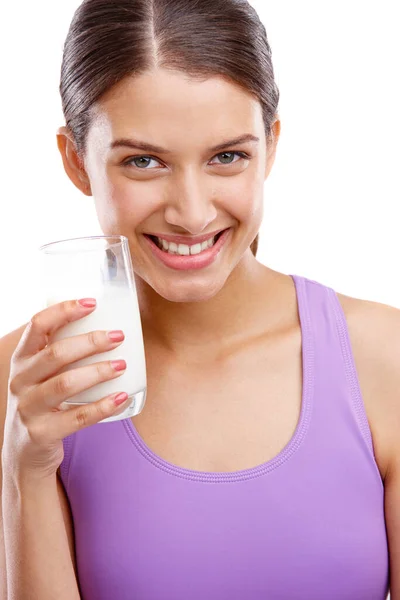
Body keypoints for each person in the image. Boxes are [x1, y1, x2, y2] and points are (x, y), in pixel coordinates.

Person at [0, 0, 398, 598]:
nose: (191, 212)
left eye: (227, 157)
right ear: (76, 161)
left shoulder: (382, 358)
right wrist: (25, 468)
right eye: (143, 161)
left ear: (271, 146)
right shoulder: (27, 387)